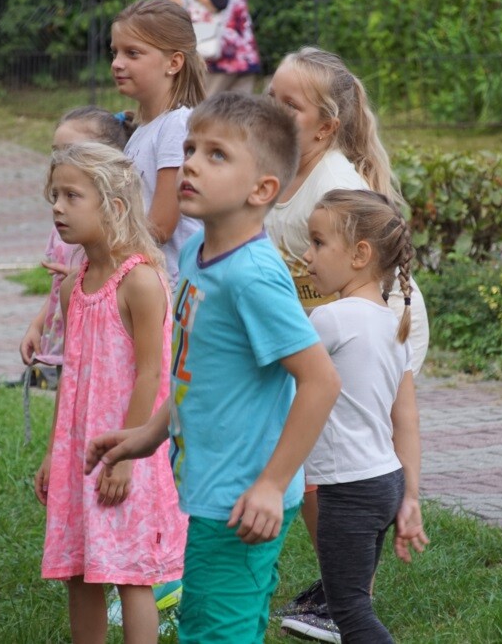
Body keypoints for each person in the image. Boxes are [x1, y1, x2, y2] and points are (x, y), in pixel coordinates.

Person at [84, 92, 341, 643]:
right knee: (211, 626)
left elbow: (321, 380)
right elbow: (192, 373)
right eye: (191, 148)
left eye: (217, 155)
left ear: (262, 190)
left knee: (213, 634)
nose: (193, 162)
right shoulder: (200, 251)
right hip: (210, 489)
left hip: (242, 502)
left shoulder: (252, 276)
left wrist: (271, 486)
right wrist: (147, 437)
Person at [264, 46, 431, 634]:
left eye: (291, 105)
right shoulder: (285, 164)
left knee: (338, 457)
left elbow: (369, 266)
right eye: (271, 98)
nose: (275, 111)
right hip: (339, 319)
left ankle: (347, 594)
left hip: (370, 318)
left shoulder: (333, 182)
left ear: (326, 125)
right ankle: (342, 583)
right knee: (329, 460)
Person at [33, 142, 187, 643]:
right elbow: (70, 377)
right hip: (79, 454)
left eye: (72, 196)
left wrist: (125, 458)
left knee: (128, 573)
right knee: (79, 570)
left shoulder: (140, 282)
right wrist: (53, 455)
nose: (57, 207)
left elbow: (151, 375)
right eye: (54, 195)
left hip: (126, 454)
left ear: (114, 207)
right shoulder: (71, 285)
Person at [280, 189, 429, 643]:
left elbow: (273, 362)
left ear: (361, 254)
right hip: (384, 481)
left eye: (319, 243)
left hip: (349, 490)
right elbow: (406, 419)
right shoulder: (392, 323)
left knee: (349, 611)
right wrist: (410, 497)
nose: (307, 255)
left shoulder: (332, 319)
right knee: (352, 602)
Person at [19, 107, 133, 384]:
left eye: (70, 150)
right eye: (55, 152)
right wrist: (38, 324)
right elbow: (60, 289)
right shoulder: (64, 227)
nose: (60, 160)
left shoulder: (113, 235)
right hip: (66, 339)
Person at [111, 0, 207, 287]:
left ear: (173, 63)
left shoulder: (177, 126)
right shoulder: (145, 130)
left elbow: (161, 226)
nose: (117, 63)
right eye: (114, 52)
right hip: (149, 282)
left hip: (172, 286)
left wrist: (106, 251)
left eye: (133, 53)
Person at [165, 0, 262, 95]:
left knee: (203, 109)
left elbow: (218, 0)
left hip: (212, 54)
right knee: (241, 110)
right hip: (243, 52)